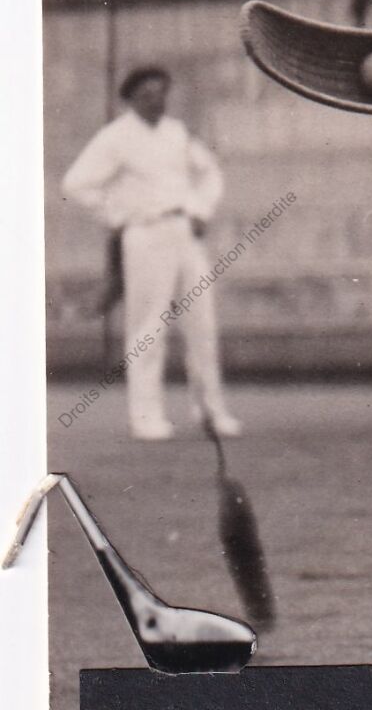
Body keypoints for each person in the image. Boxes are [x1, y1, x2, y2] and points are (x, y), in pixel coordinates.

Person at [62, 67, 240, 440]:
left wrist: (200, 210)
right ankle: (146, 417)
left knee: (202, 324)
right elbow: (76, 183)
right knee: (148, 325)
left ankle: (211, 411)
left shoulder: (177, 133)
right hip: (145, 235)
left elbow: (210, 174)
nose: (156, 100)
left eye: (161, 93)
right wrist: (118, 214)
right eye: (147, 95)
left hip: (183, 232)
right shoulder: (115, 137)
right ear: (131, 99)